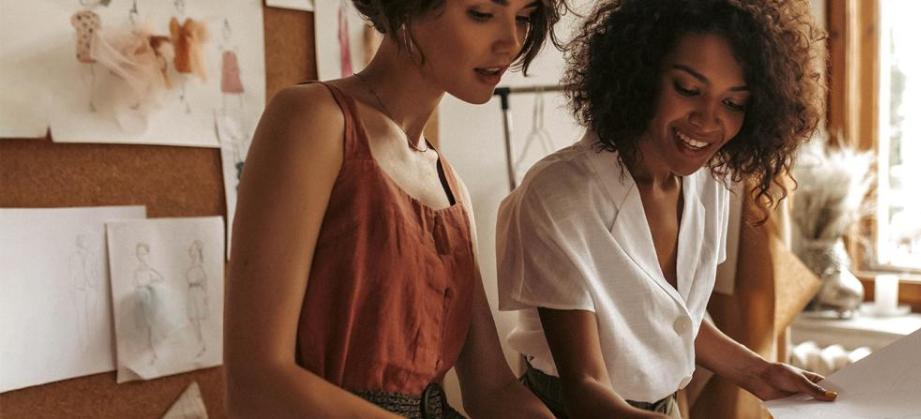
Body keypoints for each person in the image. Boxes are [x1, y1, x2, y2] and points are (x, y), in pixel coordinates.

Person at [496, 0, 834, 417]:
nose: (708, 121)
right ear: (641, 73)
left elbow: (672, 322)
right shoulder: (560, 195)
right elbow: (584, 387)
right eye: (689, 90)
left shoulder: (711, 182)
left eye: (734, 103)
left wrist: (762, 374)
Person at [224, 1, 563, 417]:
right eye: (481, 13)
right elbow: (258, 379)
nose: (511, 42)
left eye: (524, 17)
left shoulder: (451, 185)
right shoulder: (313, 119)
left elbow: (491, 388)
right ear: (407, 7)